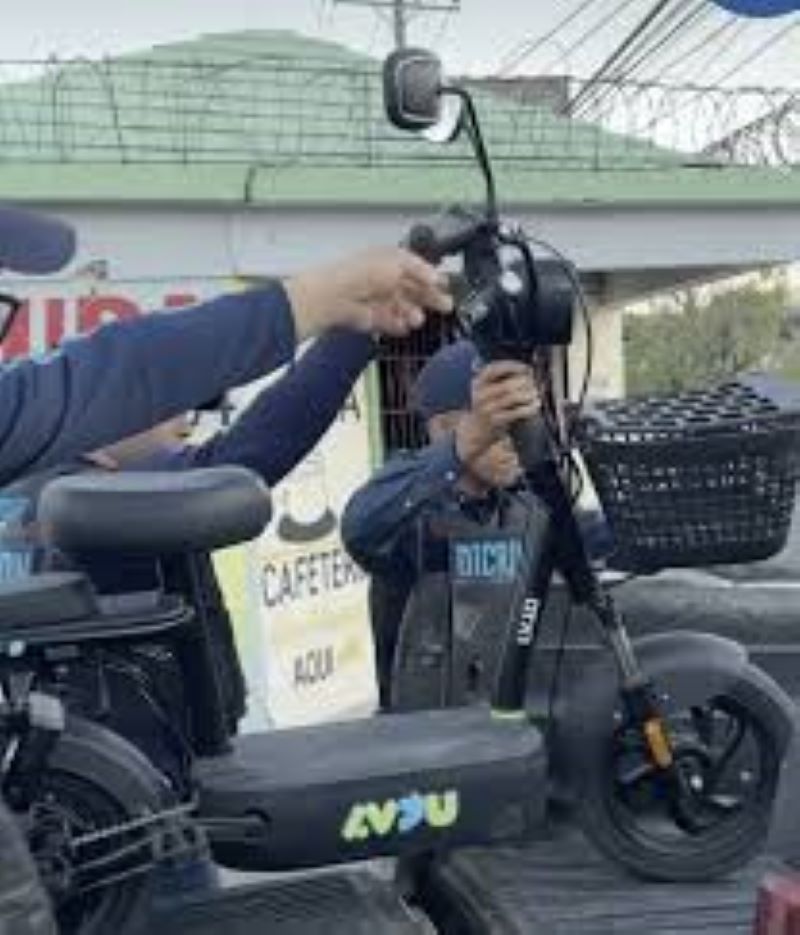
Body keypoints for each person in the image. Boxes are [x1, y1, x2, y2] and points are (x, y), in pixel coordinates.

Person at [0, 203, 451, 934]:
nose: (188, 416)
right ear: (102, 422)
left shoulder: (37, 484)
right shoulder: (92, 498)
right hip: (131, 822)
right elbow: (247, 452)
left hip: (87, 804)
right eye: (169, 403)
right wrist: (352, 328)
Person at [342, 340, 610, 708]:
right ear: (443, 428)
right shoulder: (413, 515)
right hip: (425, 729)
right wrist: (458, 450)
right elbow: (361, 526)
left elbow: (598, 536)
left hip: (507, 723)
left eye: (522, 428)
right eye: (500, 429)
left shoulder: (527, 507)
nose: (515, 444)